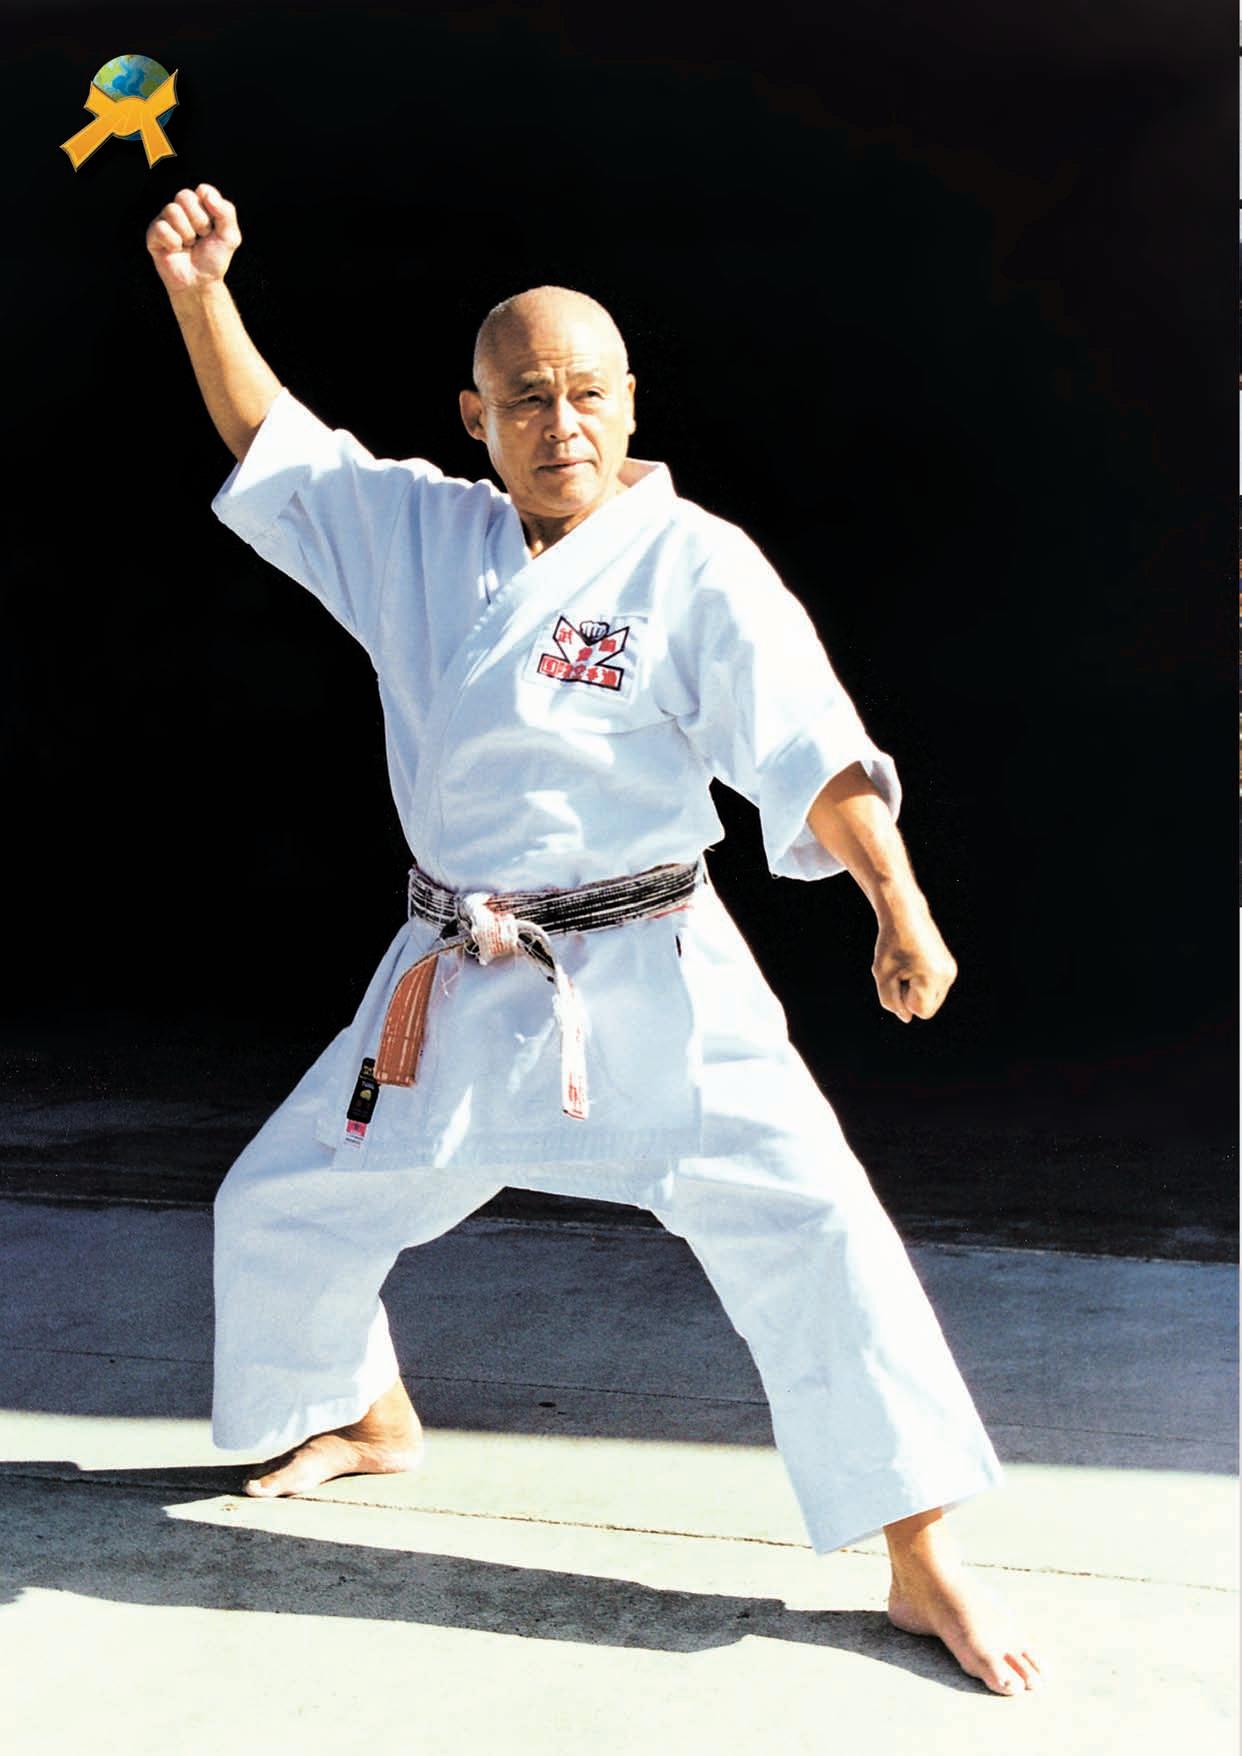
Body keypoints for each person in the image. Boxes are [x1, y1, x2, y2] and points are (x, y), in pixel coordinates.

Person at [146, 182, 1041, 1695]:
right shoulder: (419, 534)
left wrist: (899, 901)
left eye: (585, 394)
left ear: (629, 402)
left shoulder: (696, 563)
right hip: (453, 971)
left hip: (654, 972)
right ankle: (362, 1412)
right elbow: (273, 445)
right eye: (525, 399)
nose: (559, 424)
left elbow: (807, 743)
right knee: (284, 1203)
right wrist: (198, 294)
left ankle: (920, 1553)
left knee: (817, 1226)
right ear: (476, 418)